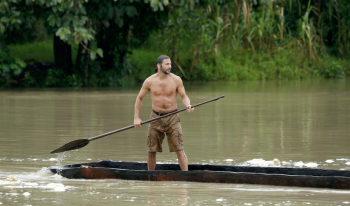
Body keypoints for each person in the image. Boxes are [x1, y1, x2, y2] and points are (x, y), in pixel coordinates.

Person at [134, 55, 194, 171]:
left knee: (179, 149)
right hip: (155, 117)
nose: (169, 67)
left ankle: (186, 178)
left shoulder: (176, 80)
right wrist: (136, 117)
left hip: (173, 117)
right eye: (167, 64)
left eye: (170, 64)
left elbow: (184, 96)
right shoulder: (149, 81)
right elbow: (139, 98)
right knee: (151, 151)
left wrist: (188, 105)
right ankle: (150, 177)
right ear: (159, 65)